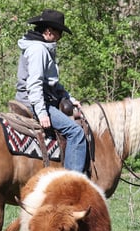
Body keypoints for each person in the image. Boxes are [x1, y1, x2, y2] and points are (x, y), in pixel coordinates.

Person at [15, 9, 87, 173]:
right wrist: (41, 113)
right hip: (34, 101)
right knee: (76, 132)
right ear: (48, 31)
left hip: (35, 98)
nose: (60, 37)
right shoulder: (38, 50)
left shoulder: (39, 47)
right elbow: (35, 84)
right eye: (59, 33)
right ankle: (71, 180)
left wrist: (69, 97)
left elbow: (51, 83)